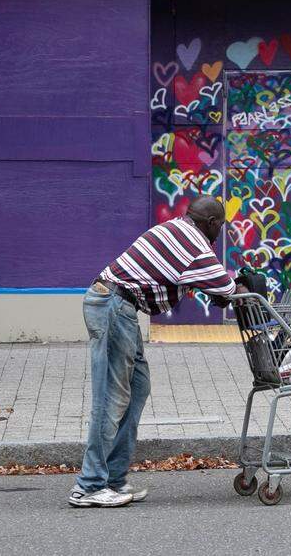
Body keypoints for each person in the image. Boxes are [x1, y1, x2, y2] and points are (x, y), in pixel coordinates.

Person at [68, 196, 247, 508]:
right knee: (111, 396)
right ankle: (89, 485)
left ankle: (113, 478)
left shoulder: (176, 228)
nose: (220, 233)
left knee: (137, 387)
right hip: (113, 306)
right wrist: (241, 289)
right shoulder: (195, 244)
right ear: (212, 223)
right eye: (220, 226)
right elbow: (227, 290)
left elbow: (204, 284)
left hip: (118, 305)